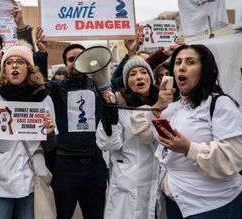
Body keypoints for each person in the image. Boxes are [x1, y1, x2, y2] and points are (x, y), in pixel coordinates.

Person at [0, 41, 57, 219]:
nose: (14, 65)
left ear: (30, 68)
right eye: (9, 62)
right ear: (4, 70)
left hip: (31, 182)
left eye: (20, 61)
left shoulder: (44, 99)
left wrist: (49, 133)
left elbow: (50, 147)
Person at [152, 44, 242, 218]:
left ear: (205, 70)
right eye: (177, 62)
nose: (182, 67)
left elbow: (234, 156)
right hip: (176, 203)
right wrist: (157, 107)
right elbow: (146, 136)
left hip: (212, 205)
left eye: (190, 62)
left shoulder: (220, 104)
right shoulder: (172, 107)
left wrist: (189, 149)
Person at [96, 57, 169, 219]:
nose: (139, 77)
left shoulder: (165, 103)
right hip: (130, 182)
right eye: (133, 74)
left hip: (159, 182)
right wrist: (110, 117)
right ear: (127, 82)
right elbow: (108, 144)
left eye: (144, 72)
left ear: (151, 78)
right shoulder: (120, 106)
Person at [45, 44, 108, 219]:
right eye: (71, 59)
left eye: (80, 57)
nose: (75, 62)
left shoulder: (98, 87)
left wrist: (131, 53)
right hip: (66, 165)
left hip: (95, 165)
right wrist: (42, 54)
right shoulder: (56, 88)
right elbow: (36, 85)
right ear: (65, 64)